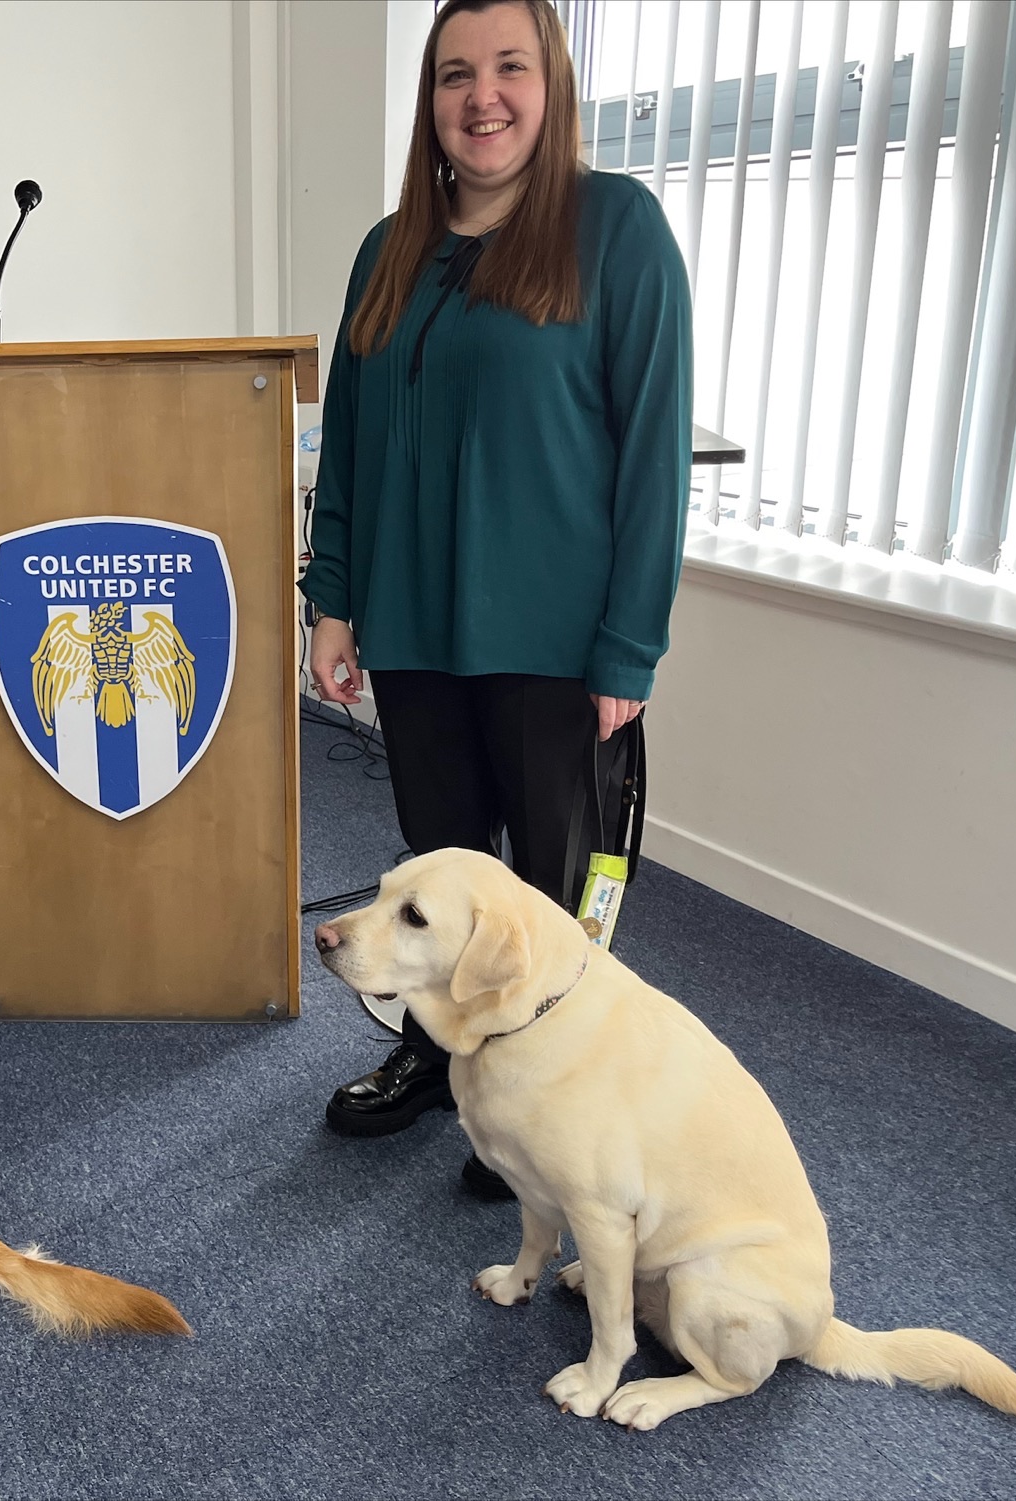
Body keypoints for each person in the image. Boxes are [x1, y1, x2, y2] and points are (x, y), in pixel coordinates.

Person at [300, 0, 691, 1195]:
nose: (483, 97)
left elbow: (651, 457)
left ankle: (537, 1095)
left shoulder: (615, 230)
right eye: (455, 74)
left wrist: (627, 649)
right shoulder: (389, 251)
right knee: (438, 873)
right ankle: (434, 1055)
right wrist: (333, 600)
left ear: (549, 81)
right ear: (429, 100)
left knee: (550, 889)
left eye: (508, 68)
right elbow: (354, 448)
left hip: (554, 641)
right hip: (415, 631)